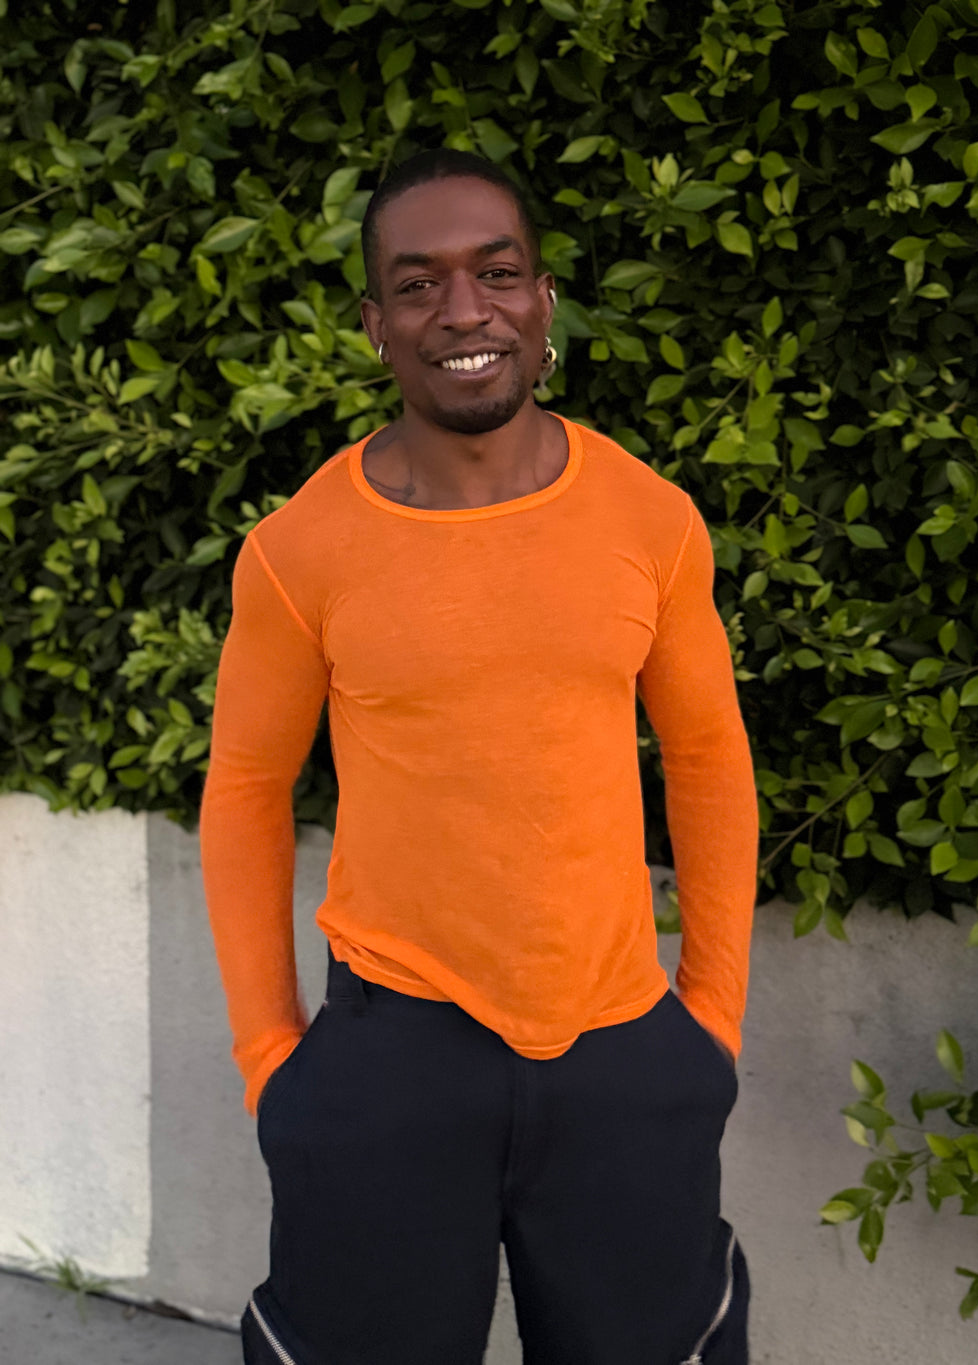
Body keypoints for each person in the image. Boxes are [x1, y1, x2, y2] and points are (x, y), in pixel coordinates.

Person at [200, 148, 759, 1365]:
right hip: (388, 1057)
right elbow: (243, 793)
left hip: (623, 1052)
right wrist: (270, 1061)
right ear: (375, 325)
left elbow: (708, 758)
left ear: (543, 301)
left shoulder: (649, 519)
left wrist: (709, 1021)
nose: (464, 311)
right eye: (419, 284)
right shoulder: (299, 551)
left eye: (496, 273)